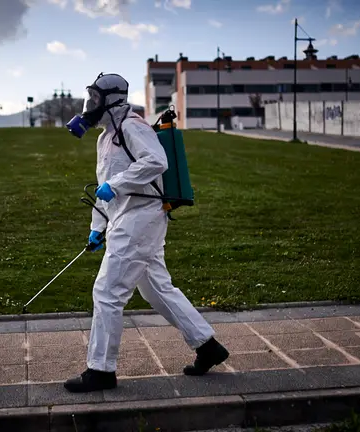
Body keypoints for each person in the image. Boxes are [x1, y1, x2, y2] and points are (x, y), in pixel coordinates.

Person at [63, 73, 229, 393]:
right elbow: (104, 187)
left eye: (95, 98)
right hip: (125, 219)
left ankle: (101, 370)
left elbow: (156, 161)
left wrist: (117, 184)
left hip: (142, 219)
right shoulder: (105, 137)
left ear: (112, 99)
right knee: (156, 290)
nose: (90, 105)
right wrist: (97, 228)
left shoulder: (133, 126)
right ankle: (208, 346)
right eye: (89, 98)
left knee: (108, 292)